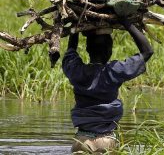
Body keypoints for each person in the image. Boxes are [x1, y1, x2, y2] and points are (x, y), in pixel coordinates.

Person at [62, 16, 153, 154]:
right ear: (109, 50)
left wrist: (77, 24)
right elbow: (147, 51)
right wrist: (125, 21)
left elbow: (71, 51)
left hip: (81, 140)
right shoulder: (114, 71)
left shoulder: (77, 71)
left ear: (87, 49)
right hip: (106, 141)